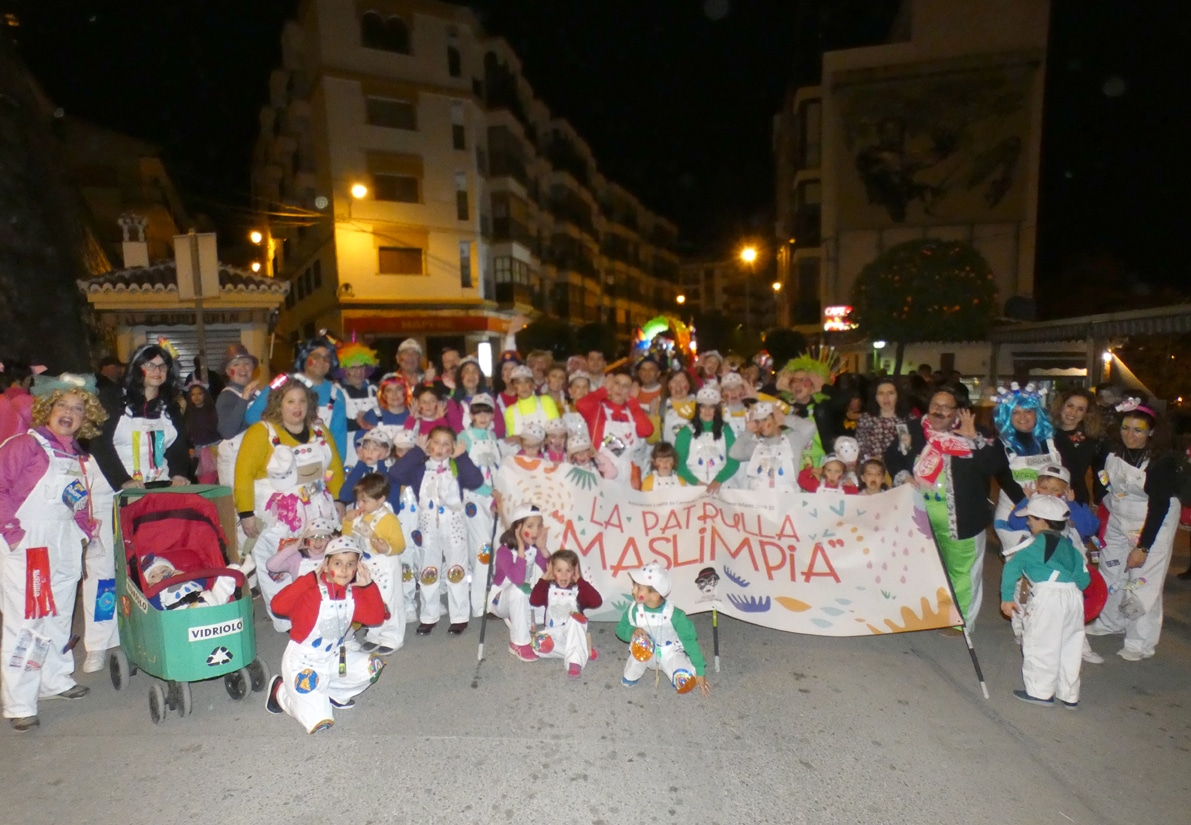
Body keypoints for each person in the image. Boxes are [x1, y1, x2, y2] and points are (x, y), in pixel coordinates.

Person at [0, 374, 107, 731]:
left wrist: (84, 527)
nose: (69, 413)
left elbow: (74, 499)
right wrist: (12, 533)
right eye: (63, 405)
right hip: (29, 544)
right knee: (27, 622)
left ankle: (55, 680)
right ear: (49, 408)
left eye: (78, 408)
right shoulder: (24, 445)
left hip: (63, 544)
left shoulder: (75, 454)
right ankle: (19, 702)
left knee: (60, 615)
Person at [88, 342, 190, 670]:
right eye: (150, 365)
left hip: (154, 494)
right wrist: (122, 481)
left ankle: (149, 628)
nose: (157, 371)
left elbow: (178, 447)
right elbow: (99, 443)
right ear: (137, 368)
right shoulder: (113, 400)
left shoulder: (169, 406)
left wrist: (178, 474)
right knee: (105, 568)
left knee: (151, 560)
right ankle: (99, 642)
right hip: (111, 492)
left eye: (163, 366)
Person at [883, 387, 1011, 630]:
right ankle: (928, 612)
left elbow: (995, 465)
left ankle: (960, 623)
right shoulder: (911, 430)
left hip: (962, 518)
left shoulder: (976, 433)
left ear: (958, 412)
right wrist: (903, 475)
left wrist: (974, 438)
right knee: (926, 568)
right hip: (919, 518)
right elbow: (893, 456)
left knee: (962, 572)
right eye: (935, 404)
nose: (938, 411)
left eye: (946, 407)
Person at [235, 374, 345, 632]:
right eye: (290, 401)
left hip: (319, 508)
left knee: (317, 559)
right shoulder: (261, 432)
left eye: (302, 402)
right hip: (278, 517)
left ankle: (320, 610)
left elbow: (335, 468)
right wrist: (246, 513)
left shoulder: (320, 430)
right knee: (278, 563)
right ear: (278, 404)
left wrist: (339, 498)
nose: (297, 408)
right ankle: (285, 618)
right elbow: (243, 474)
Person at [1086, 398, 1181, 660]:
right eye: (1126, 428)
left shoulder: (1161, 462)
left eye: (1138, 430)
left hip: (1153, 521)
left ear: (1151, 432)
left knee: (1142, 580)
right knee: (1111, 569)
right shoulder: (1112, 451)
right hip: (1118, 515)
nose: (1130, 435)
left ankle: (1140, 642)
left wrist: (1143, 547)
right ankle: (1110, 621)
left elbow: (1160, 506)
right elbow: (1101, 480)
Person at [265, 535, 386, 734]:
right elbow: (277, 605)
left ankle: (336, 694)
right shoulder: (311, 591)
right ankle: (280, 692)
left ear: (358, 567)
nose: (344, 570)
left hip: (333, 657)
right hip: (303, 664)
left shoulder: (352, 593)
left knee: (371, 667)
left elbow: (375, 617)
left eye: (350, 564)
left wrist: (367, 586)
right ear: (326, 563)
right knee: (320, 721)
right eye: (338, 563)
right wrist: (309, 579)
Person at [387, 426, 484, 635]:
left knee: (456, 570)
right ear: (428, 444)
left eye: (446, 444)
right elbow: (395, 474)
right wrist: (417, 452)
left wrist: (462, 457)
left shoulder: (456, 465)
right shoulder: (419, 467)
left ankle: (459, 616)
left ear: (452, 448)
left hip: (454, 526)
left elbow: (476, 480)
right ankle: (428, 616)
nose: (440, 448)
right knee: (428, 571)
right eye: (436, 443)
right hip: (428, 528)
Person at [999, 495, 1091, 708]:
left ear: (1041, 520)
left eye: (1030, 518)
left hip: (1048, 596)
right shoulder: (1071, 548)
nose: (1028, 522)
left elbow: (1012, 568)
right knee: (1070, 644)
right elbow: (1084, 580)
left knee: (1040, 642)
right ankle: (1069, 694)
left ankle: (1040, 692)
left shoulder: (1032, 544)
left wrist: (1006, 598)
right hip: (1074, 598)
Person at [246, 336, 348, 460]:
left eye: (327, 358)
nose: (322, 361)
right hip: (282, 460)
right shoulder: (282, 381)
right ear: (304, 358)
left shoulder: (336, 394)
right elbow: (252, 416)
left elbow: (339, 437)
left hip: (320, 461)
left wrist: (337, 468)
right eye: (316, 357)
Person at [616, 562, 710, 696]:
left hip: (669, 653)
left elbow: (690, 640)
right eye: (634, 586)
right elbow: (620, 629)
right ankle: (634, 672)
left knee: (686, 683)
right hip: (644, 651)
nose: (633, 590)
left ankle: (687, 666)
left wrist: (700, 671)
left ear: (654, 595)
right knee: (629, 675)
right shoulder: (634, 610)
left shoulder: (675, 615)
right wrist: (631, 632)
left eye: (638, 588)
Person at [991, 383, 1061, 553]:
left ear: (1036, 413)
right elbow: (1006, 480)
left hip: (1051, 512)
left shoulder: (1052, 440)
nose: (1023, 416)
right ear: (1007, 416)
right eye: (1015, 412)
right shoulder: (999, 444)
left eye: (1028, 411)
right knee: (1020, 565)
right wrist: (1035, 510)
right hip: (1015, 513)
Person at [342, 473, 406, 655]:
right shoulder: (359, 515)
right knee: (370, 598)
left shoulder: (388, 519)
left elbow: (399, 544)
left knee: (389, 599)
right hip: (365, 564)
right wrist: (347, 522)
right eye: (359, 501)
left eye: (365, 502)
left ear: (381, 499)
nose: (360, 505)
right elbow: (347, 538)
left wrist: (386, 547)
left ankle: (392, 636)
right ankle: (374, 633)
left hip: (384, 563)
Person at [457, 394, 501, 619]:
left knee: (494, 546)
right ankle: (478, 604)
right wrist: (487, 492)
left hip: (493, 499)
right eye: (478, 412)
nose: (483, 417)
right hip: (474, 497)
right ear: (471, 414)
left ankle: (492, 598)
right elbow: (464, 471)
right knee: (482, 548)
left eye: (487, 412)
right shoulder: (464, 436)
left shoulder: (493, 436)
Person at [488, 504, 549, 662]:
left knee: (551, 593)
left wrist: (543, 549)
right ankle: (518, 643)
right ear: (517, 527)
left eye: (539, 526)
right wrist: (521, 549)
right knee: (519, 589)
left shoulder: (534, 548)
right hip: (500, 600)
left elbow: (552, 574)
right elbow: (518, 580)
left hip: (522, 595)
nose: (536, 531)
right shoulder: (504, 551)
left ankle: (525, 622)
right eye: (530, 526)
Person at [529, 549, 603, 679]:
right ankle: (583, 651)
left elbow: (596, 601)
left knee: (576, 619)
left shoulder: (578, 590)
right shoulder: (548, 589)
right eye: (559, 570)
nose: (563, 575)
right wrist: (545, 577)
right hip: (553, 634)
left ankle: (574, 663)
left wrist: (580, 580)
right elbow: (533, 600)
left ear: (574, 571)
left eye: (568, 570)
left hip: (572, 632)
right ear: (553, 571)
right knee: (536, 643)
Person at [576, 367, 653, 488]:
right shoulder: (598, 408)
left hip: (628, 474)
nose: (620, 388)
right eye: (617, 383)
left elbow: (647, 430)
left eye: (625, 386)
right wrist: (604, 390)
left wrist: (633, 402)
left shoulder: (633, 411)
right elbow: (581, 404)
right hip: (603, 469)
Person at [729, 402, 816, 494]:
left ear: (775, 419)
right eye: (758, 422)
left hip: (786, 501)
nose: (761, 425)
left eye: (765, 419)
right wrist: (748, 432)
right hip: (759, 501)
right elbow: (734, 453)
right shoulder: (756, 446)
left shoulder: (793, 440)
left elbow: (810, 427)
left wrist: (785, 419)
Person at [674, 386, 739, 493]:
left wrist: (718, 480)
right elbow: (678, 463)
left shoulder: (726, 430)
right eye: (703, 406)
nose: (707, 411)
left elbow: (733, 461)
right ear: (698, 408)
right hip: (692, 486)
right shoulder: (686, 432)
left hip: (722, 485)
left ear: (717, 410)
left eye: (712, 407)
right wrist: (696, 482)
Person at [214, 344, 261, 488]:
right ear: (229, 371)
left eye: (247, 363)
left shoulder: (258, 395)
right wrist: (244, 398)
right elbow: (227, 431)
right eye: (236, 364)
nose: (243, 368)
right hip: (235, 467)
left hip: (256, 459)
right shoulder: (226, 397)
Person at [139, 553, 252, 610]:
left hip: (208, 600)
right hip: (183, 614)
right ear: (150, 583)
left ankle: (240, 570)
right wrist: (153, 590)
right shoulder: (158, 593)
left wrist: (185, 576)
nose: (161, 575)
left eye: (164, 570)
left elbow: (202, 582)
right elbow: (155, 608)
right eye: (153, 576)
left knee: (225, 577)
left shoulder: (187, 578)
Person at [1049, 388, 1103, 505]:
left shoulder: (1090, 440)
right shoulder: (1046, 434)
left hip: (1075, 497)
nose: (1073, 413)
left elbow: (1093, 473)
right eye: (1070, 406)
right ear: (1061, 406)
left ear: (1086, 413)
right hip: (1047, 494)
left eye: (1080, 409)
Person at [337, 339, 380, 469]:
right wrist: (359, 422)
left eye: (361, 367)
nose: (358, 372)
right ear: (345, 370)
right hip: (349, 448)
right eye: (353, 368)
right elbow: (337, 423)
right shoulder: (338, 392)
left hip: (376, 446)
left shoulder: (375, 389)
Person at [855, 377, 912, 462]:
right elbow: (860, 448)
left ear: (898, 396)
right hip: (872, 469)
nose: (886, 397)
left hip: (901, 469)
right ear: (875, 397)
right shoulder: (866, 419)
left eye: (891, 393)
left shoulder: (909, 419)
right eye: (881, 393)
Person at [503, 364, 560, 437]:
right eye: (518, 382)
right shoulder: (510, 411)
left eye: (527, 381)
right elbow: (513, 440)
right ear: (514, 387)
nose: (523, 386)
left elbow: (557, 430)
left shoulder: (546, 401)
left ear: (533, 384)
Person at [183, 382, 220, 484]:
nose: (196, 397)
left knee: (221, 479)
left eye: (200, 393)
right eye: (193, 394)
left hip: (215, 449)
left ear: (205, 395)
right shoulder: (188, 414)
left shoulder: (214, 411)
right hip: (198, 452)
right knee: (205, 481)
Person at [658, 369, 695, 445]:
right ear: (668, 385)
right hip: (669, 454)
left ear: (689, 384)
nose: (678, 385)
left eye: (682, 381)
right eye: (674, 381)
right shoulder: (660, 405)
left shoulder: (699, 405)